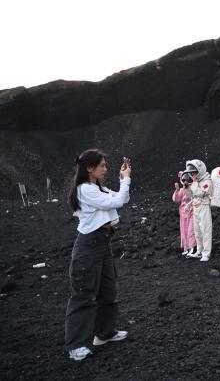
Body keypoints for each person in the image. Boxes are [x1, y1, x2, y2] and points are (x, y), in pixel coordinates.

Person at [64, 149, 132, 361]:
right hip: (89, 245)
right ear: (89, 168)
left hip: (102, 243)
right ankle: (75, 345)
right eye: (102, 165)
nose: (105, 169)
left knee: (107, 290)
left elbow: (123, 198)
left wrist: (124, 180)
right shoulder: (85, 190)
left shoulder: (97, 188)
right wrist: (126, 180)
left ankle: (104, 333)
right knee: (84, 294)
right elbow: (117, 202)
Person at [184, 159, 214, 262]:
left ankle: (206, 253)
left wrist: (195, 184)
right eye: (191, 172)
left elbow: (201, 193)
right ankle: (199, 251)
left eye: (194, 172)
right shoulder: (195, 182)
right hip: (196, 207)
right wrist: (187, 188)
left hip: (204, 206)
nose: (192, 174)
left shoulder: (207, 181)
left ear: (199, 170)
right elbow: (191, 195)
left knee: (205, 230)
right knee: (197, 231)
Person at [173, 171, 195, 257]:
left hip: (191, 211)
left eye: (188, 179)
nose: (186, 181)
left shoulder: (193, 188)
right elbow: (176, 199)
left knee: (191, 230)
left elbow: (194, 197)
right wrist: (177, 190)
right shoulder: (182, 190)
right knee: (184, 231)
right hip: (183, 214)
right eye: (184, 179)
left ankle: (193, 248)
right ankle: (187, 248)